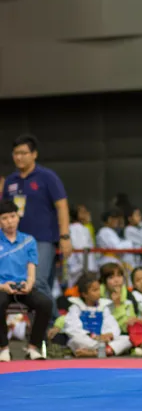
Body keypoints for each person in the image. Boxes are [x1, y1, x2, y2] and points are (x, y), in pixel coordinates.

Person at [3, 134, 72, 314]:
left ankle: (53, 326)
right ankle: (45, 333)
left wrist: (65, 236)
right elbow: (4, 211)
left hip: (43, 239)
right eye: (16, 153)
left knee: (38, 282)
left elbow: (62, 206)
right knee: (37, 286)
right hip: (17, 242)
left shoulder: (47, 177)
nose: (19, 157)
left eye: (24, 153)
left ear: (34, 154)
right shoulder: (10, 181)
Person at [0, 199, 52, 361]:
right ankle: (3, 348)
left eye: (12, 216)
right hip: (3, 287)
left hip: (23, 287)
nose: (9, 221)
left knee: (45, 303)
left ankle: (33, 347)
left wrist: (29, 284)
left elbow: (31, 268)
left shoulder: (28, 241)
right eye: (4, 218)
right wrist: (2, 286)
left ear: (18, 217)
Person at [64, 273, 132, 357]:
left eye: (99, 289)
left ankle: (93, 353)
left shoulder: (103, 307)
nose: (99, 293)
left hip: (102, 341)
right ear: (84, 294)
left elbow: (113, 326)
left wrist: (108, 335)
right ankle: (105, 351)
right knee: (76, 340)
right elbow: (72, 328)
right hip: (88, 340)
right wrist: (93, 336)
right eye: (94, 290)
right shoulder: (76, 308)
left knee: (127, 339)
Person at [67, 207, 97, 288]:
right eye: (83, 212)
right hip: (82, 269)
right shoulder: (77, 228)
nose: (87, 213)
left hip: (82, 268)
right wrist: (87, 269)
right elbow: (81, 249)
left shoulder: (81, 227)